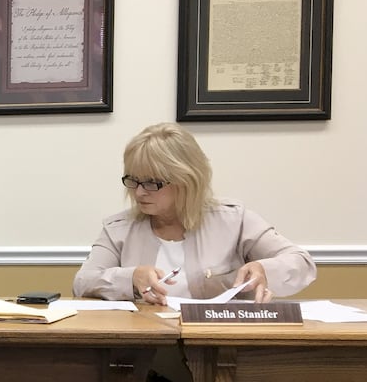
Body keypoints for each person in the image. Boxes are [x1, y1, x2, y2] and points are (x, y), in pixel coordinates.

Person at [73, 122, 315, 304]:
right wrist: (130, 278)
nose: (139, 193)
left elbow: (302, 263)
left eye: (151, 183)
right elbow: (83, 282)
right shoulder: (118, 229)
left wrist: (264, 269)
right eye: (133, 181)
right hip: (143, 350)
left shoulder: (234, 220)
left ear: (186, 180)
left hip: (219, 348)